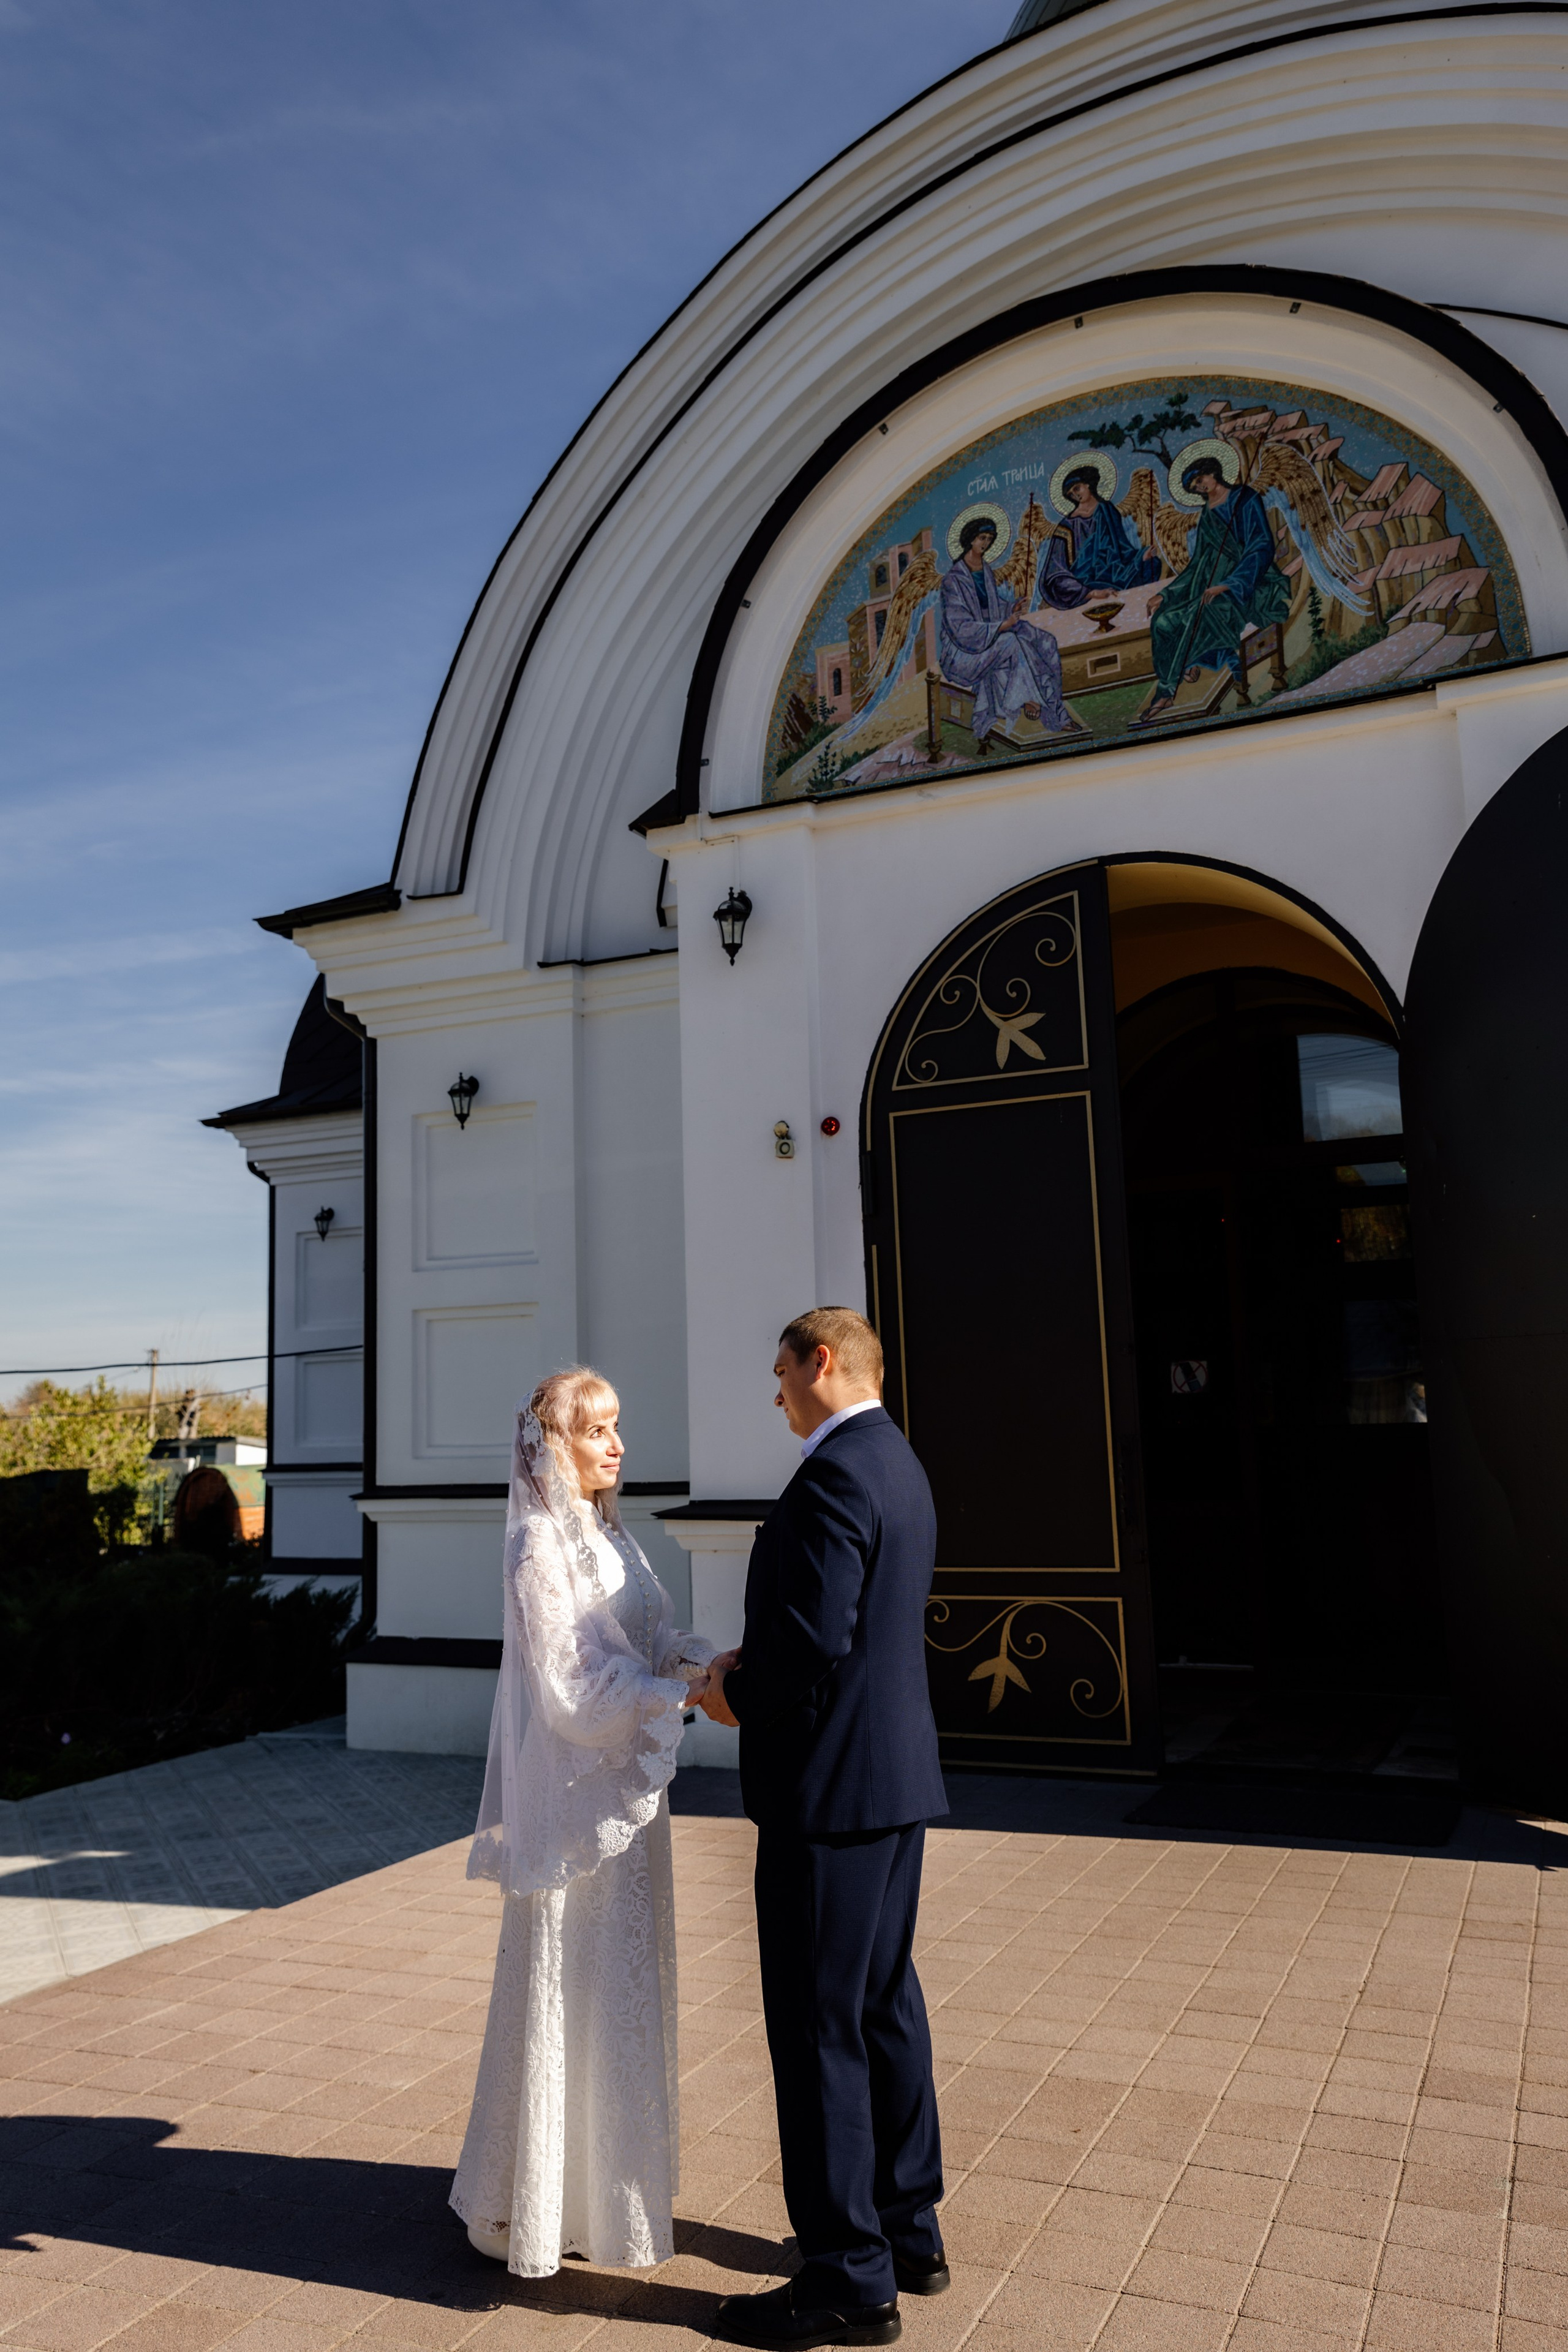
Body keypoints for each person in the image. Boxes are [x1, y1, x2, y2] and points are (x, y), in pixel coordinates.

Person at [702, 1308, 948, 2351]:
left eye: (781, 1373)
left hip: (831, 1795)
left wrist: (733, 1696)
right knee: (883, 2002)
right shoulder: (899, 1461)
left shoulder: (840, 1469)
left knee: (818, 2026)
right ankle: (908, 2228)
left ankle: (848, 2276)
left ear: (822, 1361)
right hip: (893, 1787)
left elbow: (814, 1635)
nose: (776, 1394)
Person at [450, 1368, 714, 2276]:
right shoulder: (537, 1550)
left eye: (616, 1428)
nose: (617, 1445)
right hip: (575, 1813)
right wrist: (679, 1692)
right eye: (597, 1430)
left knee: (623, 1992)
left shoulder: (614, 1536)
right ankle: (530, 2199)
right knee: (572, 1989)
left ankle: (611, 2186)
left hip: (630, 1804)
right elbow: (568, 1690)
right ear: (554, 1445)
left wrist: (706, 1663)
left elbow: (649, 1640)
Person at [1139, 453, 1291, 720]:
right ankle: (1186, 664)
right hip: (1209, 585)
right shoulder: (1207, 513)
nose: (1200, 487)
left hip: (1250, 585)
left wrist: (1228, 585)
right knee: (1162, 621)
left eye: (1200, 480)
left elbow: (1261, 546)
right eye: (1195, 487)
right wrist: (1165, 595)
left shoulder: (1245, 499)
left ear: (1213, 472)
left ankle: (1166, 692)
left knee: (1199, 615)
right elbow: (1198, 564)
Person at [938, 513, 1081, 750]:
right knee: (1011, 643)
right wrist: (1001, 627)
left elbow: (991, 607)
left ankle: (1056, 711)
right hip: (964, 653)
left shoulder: (985, 570)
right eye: (982, 538)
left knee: (1043, 640)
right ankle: (1031, 701)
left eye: (990, 539)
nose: (985, 543)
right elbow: (960, 628)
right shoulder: (953, 581)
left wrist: (1010, 608)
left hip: (991, 636)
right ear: (970, 539)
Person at [1035, 464, 1161, 606]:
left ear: (1088, 484)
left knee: (1151, 564)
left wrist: (1141, 556)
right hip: (1083, 577)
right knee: (1060, 585)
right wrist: (1090, 592)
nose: (1075, 495)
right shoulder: (1067, 525)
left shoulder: (1107, 510)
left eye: (1077, 488)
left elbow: (1122, 548)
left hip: (1113, 568)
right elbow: (1055, 570)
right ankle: (1089, 592)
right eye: (1071, 494)